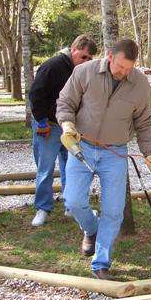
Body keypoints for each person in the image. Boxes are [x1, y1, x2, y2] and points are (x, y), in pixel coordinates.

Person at [56, 38, 151, 280]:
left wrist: (150, 154)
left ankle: (101, 263)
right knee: (73, 201)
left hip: (115, 152)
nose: (124, 73)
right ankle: (91, 228)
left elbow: (144, 122)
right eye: (120, 67)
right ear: (109, 56)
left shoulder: (140, 84)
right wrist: (67, 124)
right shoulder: (84, 72)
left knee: (114, 211)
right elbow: (65, 102)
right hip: (81, 145)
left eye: (129, 69)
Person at [29, 35, 97, 227]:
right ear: (74, 50)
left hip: (71, 126)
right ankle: (42, 208)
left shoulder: (84, 71)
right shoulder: (52, 66)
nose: (86, 61)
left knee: (72, 167)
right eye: (83, 57)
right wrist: (41, 121)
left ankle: (71, 206)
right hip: (49, 125)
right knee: (45, 168)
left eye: (89, 59)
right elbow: (35, 95)